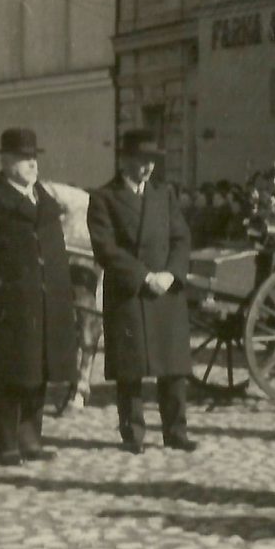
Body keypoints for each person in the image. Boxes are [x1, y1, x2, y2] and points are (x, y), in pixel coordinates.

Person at [0, 128, 78, 466]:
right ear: (6, 161)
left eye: (34, 158)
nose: (32, 165)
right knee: (8, 375)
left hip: (44, 304)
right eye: (25, 159)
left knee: (38, 371)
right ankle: (7, 443)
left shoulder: (44, 201)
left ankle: (30, 439)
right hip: (9, 306)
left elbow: (56, 254)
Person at [88, 129, 197, 454]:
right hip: (130, 290)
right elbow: (105, 248)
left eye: (152, 162)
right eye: (142, 161)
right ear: (125, 160)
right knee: (130, 367)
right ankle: (133, 433)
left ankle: (176, 431)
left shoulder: (165, 194)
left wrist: (171, 273)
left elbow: (181, 238)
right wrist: (144, 275)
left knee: (173, 366)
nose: (148, 168)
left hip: (166, 290)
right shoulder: (104, 197)